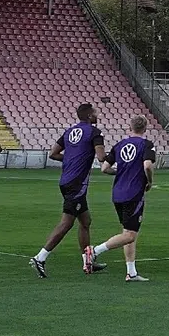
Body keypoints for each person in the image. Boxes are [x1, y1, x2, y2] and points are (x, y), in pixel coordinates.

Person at [32, 103, 107, 277]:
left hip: (66, 180)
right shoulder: (95, 133)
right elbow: (102, 157)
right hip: (77, 183)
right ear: (89, 116)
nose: (98, 114)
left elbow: (53, 154)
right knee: (67, 223)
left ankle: (88, 262)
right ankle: (40, 257)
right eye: (95, 112)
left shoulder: (69, 131)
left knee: (85, 221)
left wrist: (71, 159)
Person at [84, 116, 156, 282]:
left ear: (130, 127)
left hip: (117, 193)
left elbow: (104, 168)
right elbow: (147, 165)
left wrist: (121, 173)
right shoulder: (146, 145)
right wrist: (149, 181)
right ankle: (94, 251)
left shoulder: (120, 145)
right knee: (130, 235)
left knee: (128, 232)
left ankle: (131, 272)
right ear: (145, 128)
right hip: (134, 194)